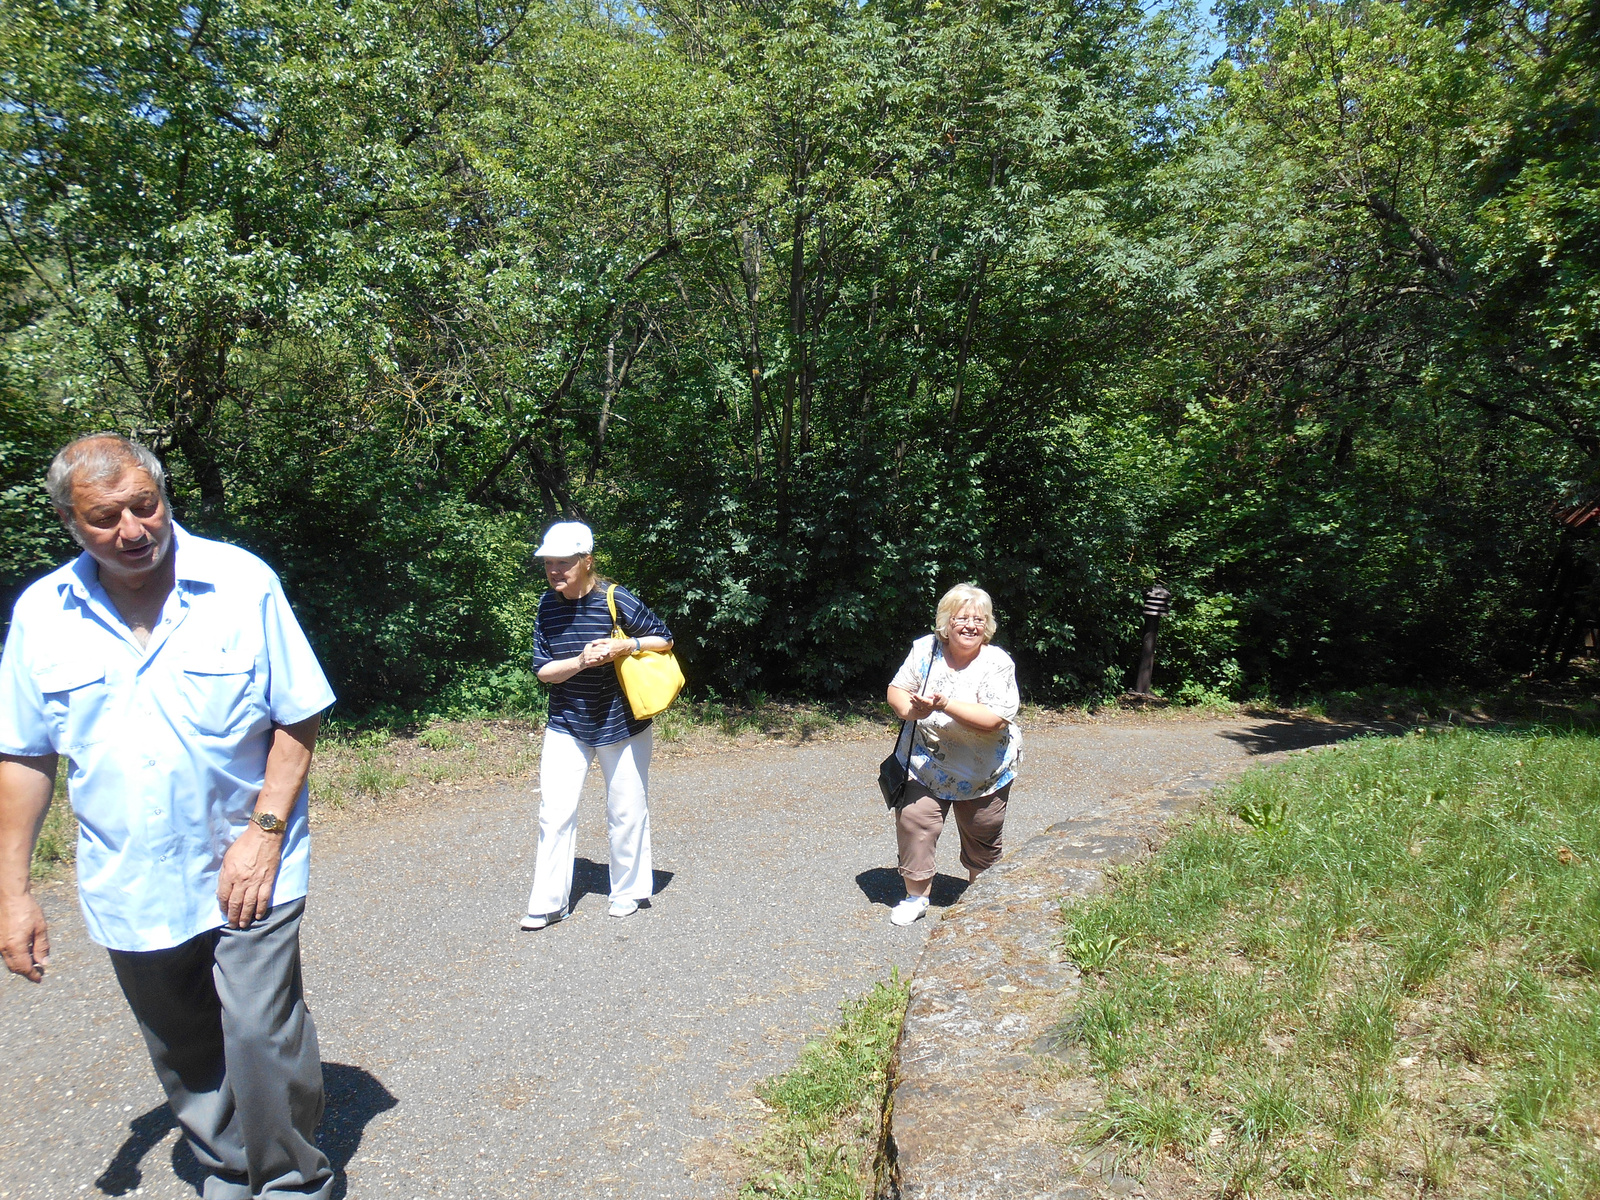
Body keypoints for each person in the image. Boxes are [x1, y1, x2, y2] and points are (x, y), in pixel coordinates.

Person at [0, 434, 337, 1200]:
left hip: (249, 858)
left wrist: (265, 833)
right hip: (128, 873)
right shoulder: (42, 615)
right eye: (103, 517)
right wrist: (12, 891)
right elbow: (21, 755)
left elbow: (298, 715)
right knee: (185, 1046)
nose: (132, 530)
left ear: (163, 494)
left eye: (143, 505)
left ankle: (290, 1182)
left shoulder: (239, 581)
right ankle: (226, 1166)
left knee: (257, 1031)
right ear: (68, 522)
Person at [522, 520, 674, 930]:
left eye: (564, 563)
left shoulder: (615, 597)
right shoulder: (546, 606)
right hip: (567, 722)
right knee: (553, 812)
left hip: (622, 722)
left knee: (626, 809)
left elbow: (664, 638)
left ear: (586, 561)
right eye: (549, 563)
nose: (555, 571)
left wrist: (626, 644)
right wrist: (581, 662)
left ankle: (627, 891)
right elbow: (543, 672)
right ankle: (549, 902)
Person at [884, 583, 1021, 926]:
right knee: (915, 823)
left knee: (983, 834)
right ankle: (915, 897)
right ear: (947, 621)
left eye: (979, 619)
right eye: (962, 618)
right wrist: (911, 712)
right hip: (925, 762)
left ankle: (982, 896)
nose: (970, 625)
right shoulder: (925, 650)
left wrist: (944, 704)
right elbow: (897, 689)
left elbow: (994, 719)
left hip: (983, 770)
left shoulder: (997, 662)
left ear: (987, 625)